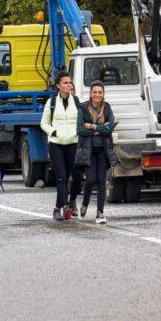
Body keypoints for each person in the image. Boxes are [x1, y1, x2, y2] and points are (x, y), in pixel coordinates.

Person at [41, 73, 80, 220]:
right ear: (58, 85)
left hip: (73, 143)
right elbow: (43, 123)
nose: (68, 85)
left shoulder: (77, 101)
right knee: (62, 177)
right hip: (56, 144)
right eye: (65, 83)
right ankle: (65, 207)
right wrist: (53, 131)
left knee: (76, 176)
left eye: (70, 82)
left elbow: (83, 120)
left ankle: (58, 206)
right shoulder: (51, 102)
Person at [77, 80, 116, 224]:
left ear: (103, 94)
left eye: (100, 92)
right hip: (88, 150)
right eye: (95, 92)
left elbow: (110, 128)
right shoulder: (82, 109)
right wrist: (100, 129)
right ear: (90, 94)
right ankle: (85, 204)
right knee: (91, 179)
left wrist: (92, 127)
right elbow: (80, 130)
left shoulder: (107, 109)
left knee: (101, 181)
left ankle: (100, 212)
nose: (97, 95)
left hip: (103, 150)